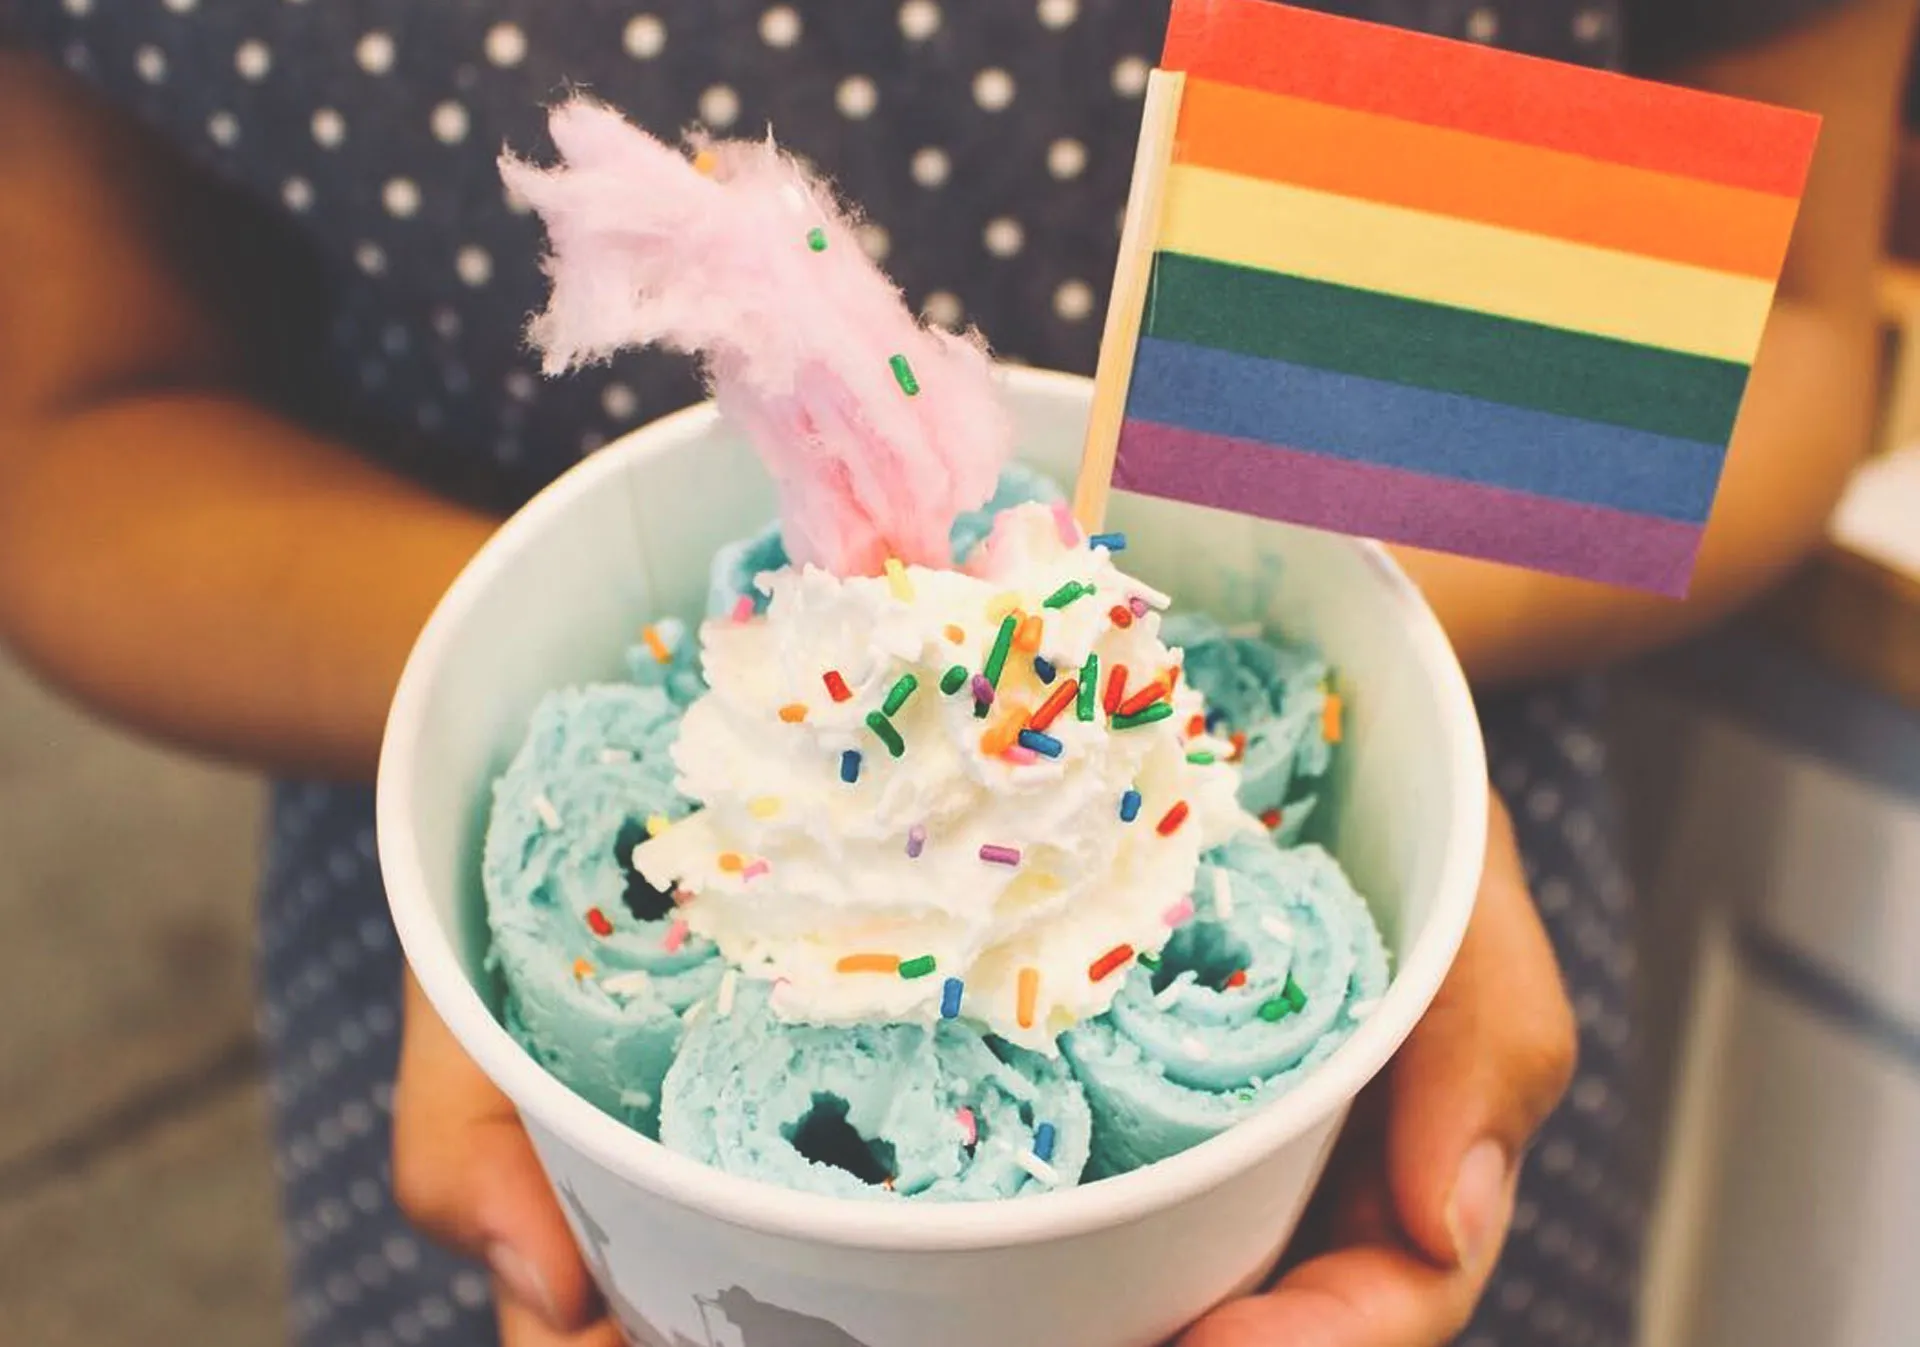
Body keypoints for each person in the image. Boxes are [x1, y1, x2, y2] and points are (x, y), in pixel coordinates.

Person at [0, 2, 1910, 1345]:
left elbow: (1797, 324)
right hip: (492, 1059)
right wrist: (496, 691)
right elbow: (63, 426)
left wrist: (1325, 641)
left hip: (1401, 1020)